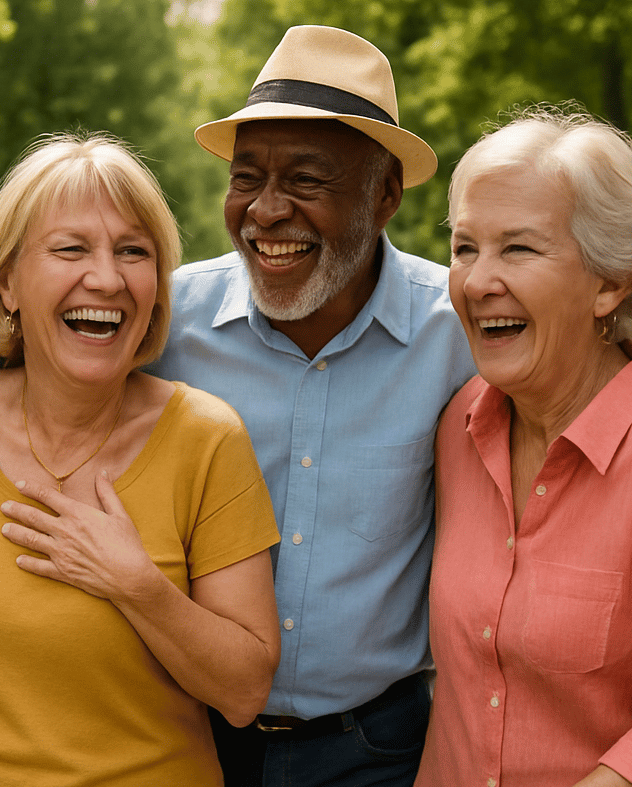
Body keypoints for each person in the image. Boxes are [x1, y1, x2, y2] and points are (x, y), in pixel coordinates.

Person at [148, 25, 477, 787]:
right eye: (247, 177)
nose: (265, 211)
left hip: (377, 749)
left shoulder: (455, 334)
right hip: (182, 734)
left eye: (306, 180)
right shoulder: (166, 323)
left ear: (385, 193)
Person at [0, 132, 281, 787]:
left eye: (133, 251)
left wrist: (135, 583)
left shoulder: (206, 437)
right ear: (8, 283)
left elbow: (245, 691)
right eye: (71, 248)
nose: (106, 278)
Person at [415, 106, 632, 787]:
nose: (476, 282)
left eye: (518, 249)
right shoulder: (458, 426)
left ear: (611, 281)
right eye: (465, 247)